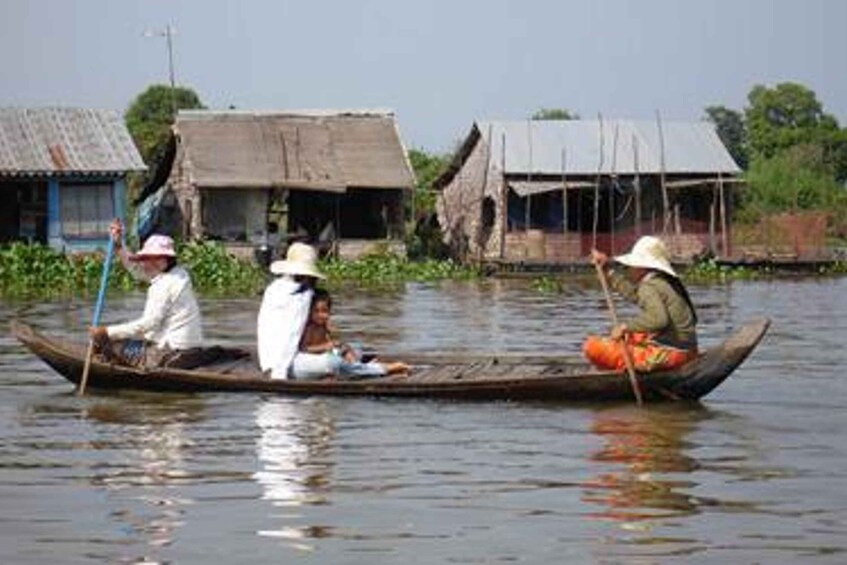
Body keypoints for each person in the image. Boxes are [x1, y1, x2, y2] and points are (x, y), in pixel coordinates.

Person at [89, 219, 205, 368]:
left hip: (170, 353)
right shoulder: (180, 274)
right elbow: (137, 270)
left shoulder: (163, 285)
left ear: (163, 260)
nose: (143, 264)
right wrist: (119, 245)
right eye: (144, 259)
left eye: (148, 259)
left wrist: (106, 332)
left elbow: (147, 324)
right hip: (190, 349)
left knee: (110, 345)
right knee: (118, 341)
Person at [584, 236, 698, 373]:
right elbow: (635, 295)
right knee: (633, 336)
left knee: (592, 347)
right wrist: (608, 271)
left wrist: (625, 327)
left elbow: (659, 320)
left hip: (671, 355)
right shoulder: (664, 282)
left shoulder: (649, 286)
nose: (629, 269)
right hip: (688, 351)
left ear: (642, 267)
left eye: (632, 265)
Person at [299, 289, 409, 379]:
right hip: (315, 357)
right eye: (316, 311)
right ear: (309, 312)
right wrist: (326, 346)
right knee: (342, 357)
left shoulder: (323, 325)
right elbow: (305, 349)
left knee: (346, 348)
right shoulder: (310, 328)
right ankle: (381, 368)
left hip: (326, 355)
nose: (321, 315)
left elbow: (330, 341)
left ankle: (358, 365)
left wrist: (333, 342)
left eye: (325, 311)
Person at [257, 242, 328, 379]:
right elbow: (291, 335)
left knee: (346, 354)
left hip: (266, 361)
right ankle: (373, 369)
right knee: (333, 362)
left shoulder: (273, 288)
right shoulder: (302, 296)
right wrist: (279, 373)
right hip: (285, 364)